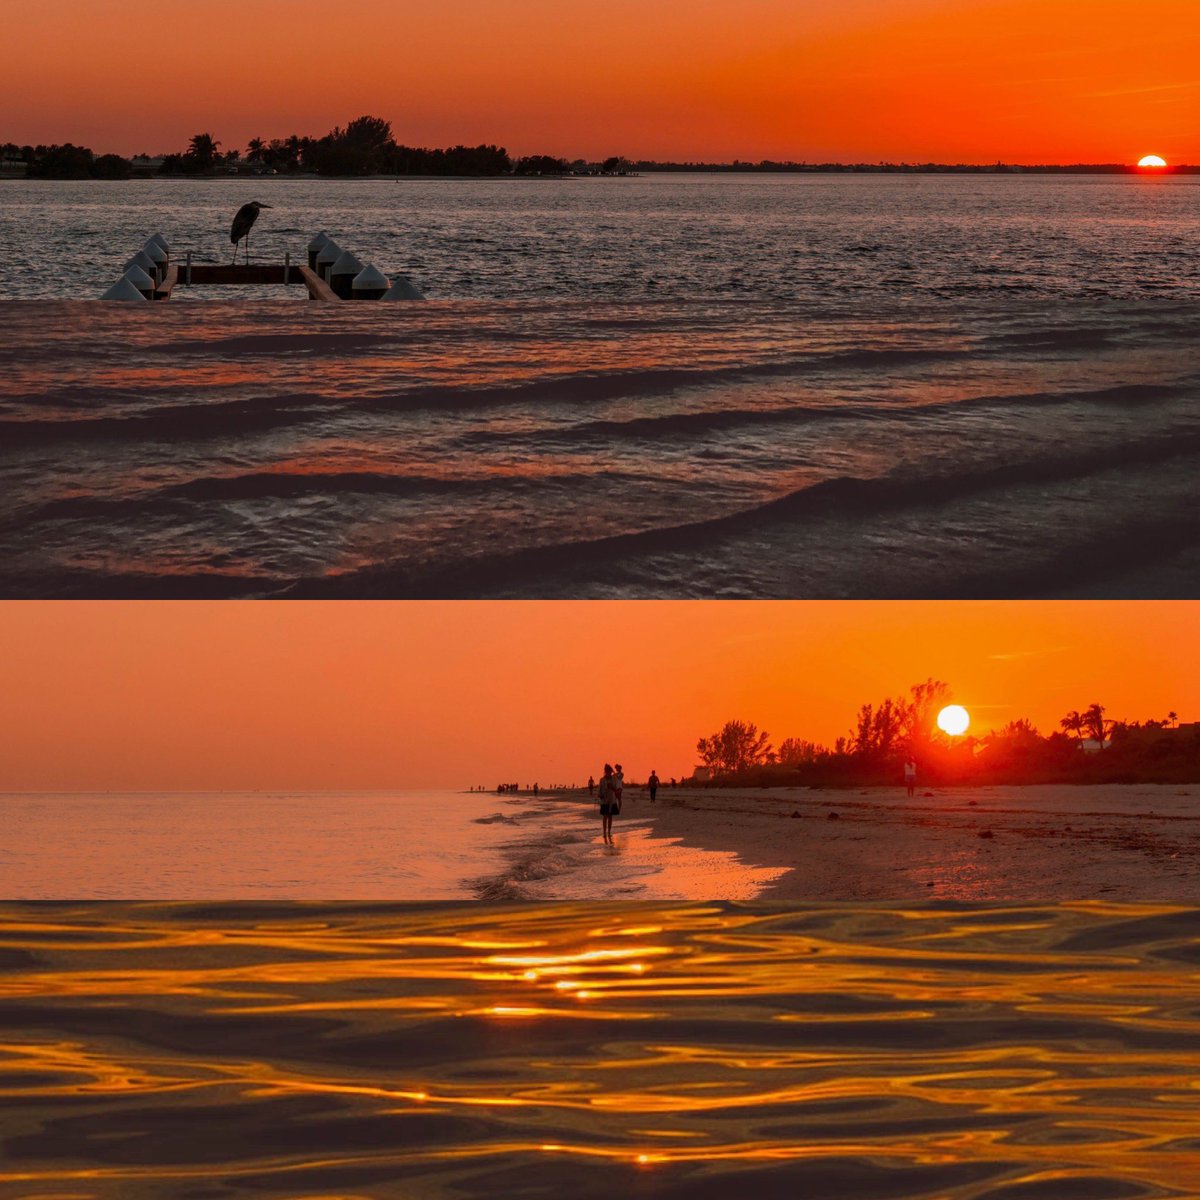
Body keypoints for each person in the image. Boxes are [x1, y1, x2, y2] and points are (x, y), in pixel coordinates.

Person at [598, 763, 616, 843]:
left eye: (610, 772)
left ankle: (609, 832)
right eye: (608, 772)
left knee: (610, 816)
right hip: (604, 800)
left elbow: (615, 787)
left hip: (611, 800)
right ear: (605, 772)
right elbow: (599, 790)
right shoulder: (602, 780)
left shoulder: (613, 779)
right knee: (605, 817)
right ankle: (604, 833)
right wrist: (600, 795)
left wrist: (611, 787)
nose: (609, 773)